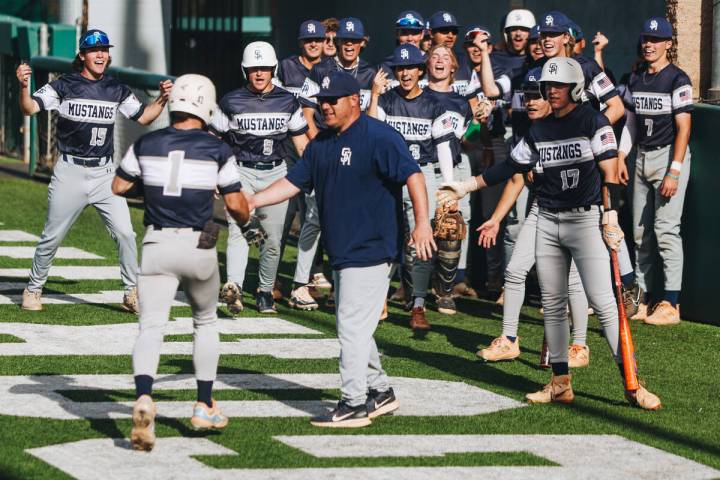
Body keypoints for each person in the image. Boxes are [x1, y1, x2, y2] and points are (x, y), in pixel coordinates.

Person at [437, 57, 661, 410]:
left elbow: (610, 170)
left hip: (586, 220)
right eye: (547, 87)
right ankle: (559, 382)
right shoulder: (538, 130)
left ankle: (633, 384)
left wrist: (611, 215)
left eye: (557, 86)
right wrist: (467, 185)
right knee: (553, 306)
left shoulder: (593, 119)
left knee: (604, 304)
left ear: (574, 87)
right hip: (549, 219)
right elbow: (512, 166)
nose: (550, 92)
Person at [246, 70, 435, 427]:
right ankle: (380, 392)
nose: (325, 106)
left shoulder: (379, 136)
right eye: (322, 101)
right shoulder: (321, 144)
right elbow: (292, 183)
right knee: (354, 326)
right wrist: (253, 200)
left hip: (374, 247)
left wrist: (423, 223)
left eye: (333, 100)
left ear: (355, 101)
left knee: (350, 325)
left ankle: (353, 402)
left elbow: (414, 175)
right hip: (344, 248)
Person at [111, 74, 250, 451]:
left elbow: (119, 187)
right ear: (207, 106)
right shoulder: (217, 148)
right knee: (204, 321)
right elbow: (237, 205)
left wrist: (151, 186)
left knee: (151, 327)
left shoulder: (147, 142)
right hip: (199, 242)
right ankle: (204, 404)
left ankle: (143, 395)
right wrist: (247, 224)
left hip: (156, 242)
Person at [17, 29, 172, 313]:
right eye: (94, 50)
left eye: (104, 50)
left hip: (104, 174)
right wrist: (23, 86)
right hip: (70, 171)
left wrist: (162, 98)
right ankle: (34, 288)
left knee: (126, 233)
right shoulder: (63, 85)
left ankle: (130, 292)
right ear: (82, 55)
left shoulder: (116, 89)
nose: (101, 54)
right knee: (52, 236)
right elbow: (28, 109)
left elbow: (145, 117)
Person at [476, 68, 591, 368]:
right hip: (542, 208)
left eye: (536, 95)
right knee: (515, 270)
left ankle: (579, 345)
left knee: (573, 281)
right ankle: (509, 340)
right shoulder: (530, 132)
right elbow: (515, 179)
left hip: (577, 212)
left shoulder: (574, 125)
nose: (530, 101)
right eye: (526, 95)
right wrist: (497, 219)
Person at [213, 41, 309, 314]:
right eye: (254, 69)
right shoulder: (231, 101)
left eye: (264, 68)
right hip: (240, 172)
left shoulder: (288, 101)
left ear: (273, 69)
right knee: (238, 232)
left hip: (276, 174)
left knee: (273, 240)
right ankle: (234, 287)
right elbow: (214, 140)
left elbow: (301, 144)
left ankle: (265, 290)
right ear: (245, 70)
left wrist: (314, 174)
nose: (259, 74)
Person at [368, 44, 456, 328]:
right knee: (385, 241)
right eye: (400, 68)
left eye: (411, 68)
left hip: (423, 175)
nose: (405, 73)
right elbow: (369, 134)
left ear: (421, 70)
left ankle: (418, 303)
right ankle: (379, 298)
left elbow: (444, 148)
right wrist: (374, 95)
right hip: (389, 178)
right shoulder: (386, 99)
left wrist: (449, 187)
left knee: (422, 243)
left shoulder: (435, 103)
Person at [618, 17, 693, 325]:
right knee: (639, 233)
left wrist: (674, 171)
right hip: (642, 156)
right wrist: (622, 155)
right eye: (646, 39)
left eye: (656, 39)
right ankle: (643, 297)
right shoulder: (636, 78)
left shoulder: (678, 79)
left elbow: (684, 128)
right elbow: (631, 123)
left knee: (666, 230)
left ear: (668, 44)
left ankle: (671, 303)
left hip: (667, 156)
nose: (649, 44)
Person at [423, 44, 476, 314]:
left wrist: (482, 123)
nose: (440, 61)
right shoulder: (418, 96)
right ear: (427, 64)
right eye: (435, 56)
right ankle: (412, 287)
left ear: (454, 66)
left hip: (452, 169)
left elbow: (466, 138)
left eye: (446, 57)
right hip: (420, 168)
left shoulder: (461, 102)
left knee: (451, 229)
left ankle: (444, 290)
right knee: (417, 228)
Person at [301, 17, 377, 137]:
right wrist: (318, 145)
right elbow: (306, 114)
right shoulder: (320, 69)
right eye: (345, 39)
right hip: (326, 141)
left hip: (357, 141)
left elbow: (373, 119)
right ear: (338, 41)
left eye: (354, 39)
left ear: (362, 42)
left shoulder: (371, 73)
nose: (349, 43)